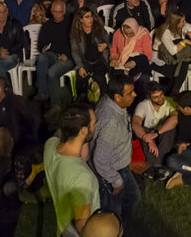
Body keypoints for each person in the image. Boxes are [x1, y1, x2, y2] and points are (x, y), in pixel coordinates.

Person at [44, 103, 101, 237]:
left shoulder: (50, 145)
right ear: (83, 131)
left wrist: (83, 140)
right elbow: (82, 224)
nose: (96, 125)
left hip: (62, 228)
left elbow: (61, 133)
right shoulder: (81, 176)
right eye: (93, 123)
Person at [92, 72, 139, 221]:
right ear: (117, 97)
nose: (135, 95)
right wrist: (116, 180)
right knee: (112, 214)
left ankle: (123, 226)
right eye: (130, 93)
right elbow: (100, 159)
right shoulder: (111, 122)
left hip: (120, 166)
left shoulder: (109, 101)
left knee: (133, 196)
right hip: (111, 172)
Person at [131, 82, 177, 179]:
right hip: (149, 134)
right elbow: (135, 124)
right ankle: (160, 167)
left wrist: (156, 134)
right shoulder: (143, 105)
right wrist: (149, 139)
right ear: (149, 97)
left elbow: (174, 119)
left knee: (169, 125)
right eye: (156, 97)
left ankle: (154, 166)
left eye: (161, 95)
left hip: (162, 134)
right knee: (144, 130)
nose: (160, 99)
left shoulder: (169, 102)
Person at [34, 0, 74, 104]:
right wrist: (43, 48)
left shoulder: (70, 24)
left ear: (64, 12)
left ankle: (56, 104)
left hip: (68, 57)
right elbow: (40, 45)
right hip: (52, 55)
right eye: (55, 12)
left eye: (59, 12)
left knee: (51, 73)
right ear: (51, 11)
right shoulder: (47, 25)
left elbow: (76, 45)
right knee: (42, 58)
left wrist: (68, 56)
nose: (57, 15)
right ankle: (43, 93)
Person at [0, 1, 26, 77]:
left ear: (7, 11)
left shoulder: (15, 24)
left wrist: (7, 52)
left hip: (11, 55)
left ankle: (4, 86)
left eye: (4, 11)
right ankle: (6, 87)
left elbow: (21, 43)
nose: (3, 15)